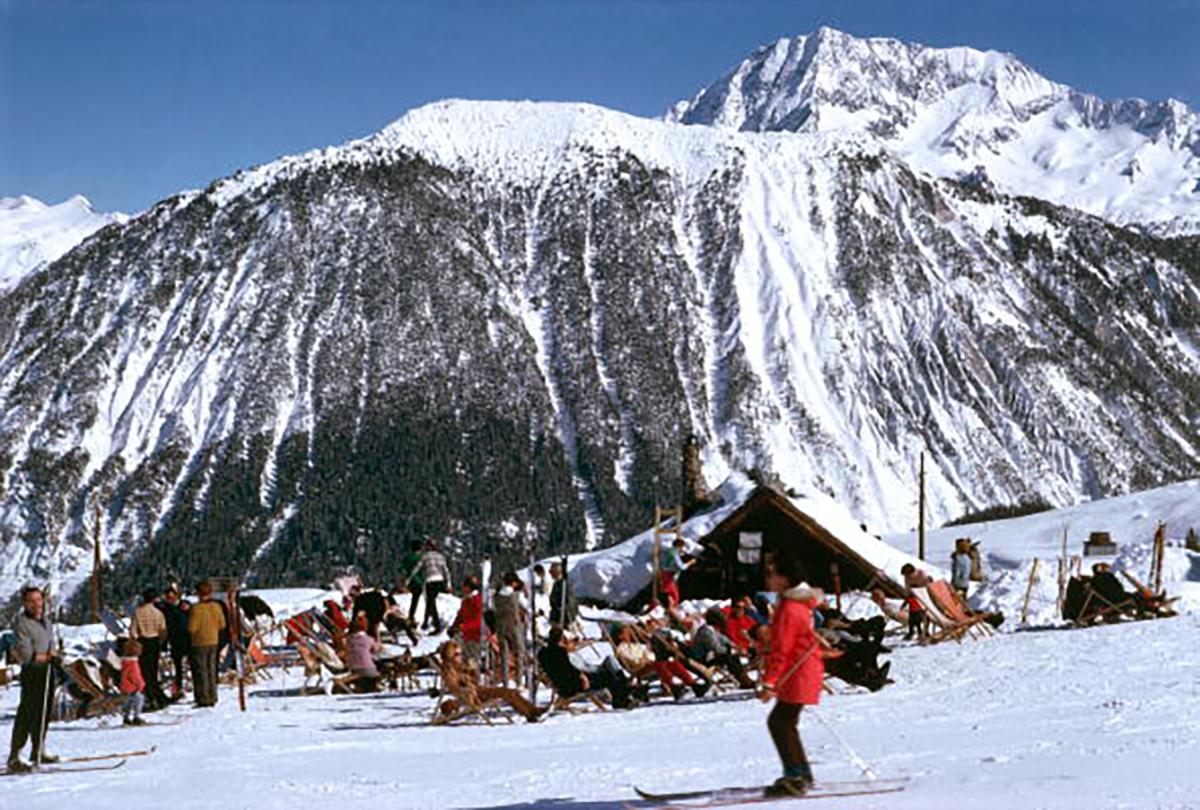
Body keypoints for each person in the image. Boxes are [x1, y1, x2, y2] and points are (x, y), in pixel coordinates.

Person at [759, 559, 836, 798]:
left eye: (772, 573)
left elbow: (782, 648)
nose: (768, 578)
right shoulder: (795, 604)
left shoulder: (790, 608)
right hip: (803, 670)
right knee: (785, 721)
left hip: (797, 673)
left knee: (780, 722)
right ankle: (801, 772)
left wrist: (769, 682)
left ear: (786, 578)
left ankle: (796, 775)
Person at [7, 586, 59, 772]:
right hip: (32, 673)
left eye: (39, 600)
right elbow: (26, 654)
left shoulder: (47, 621)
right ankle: (14, 756)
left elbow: (50, 644)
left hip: (47, 671)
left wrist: (53, 653)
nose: (37, 604)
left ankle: (38, 750)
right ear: (25, 603)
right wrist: (47, 656)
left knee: (44, 713)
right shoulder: (22, 623)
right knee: (27, 713)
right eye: (32, 601)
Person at [438, 641, 543, 722]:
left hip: (479, 691)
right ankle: (531, 713)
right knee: (507, 693)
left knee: (511, 692)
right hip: (475, 694)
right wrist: (467, 689)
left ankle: (532, 711)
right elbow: (454, 687)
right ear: (450, 656)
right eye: (457, 654)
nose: (460, 657)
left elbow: (474, 680)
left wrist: (472, 671)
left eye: (460, 654)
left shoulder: (459, 667)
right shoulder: (449, 670)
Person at [538, 626, 636, 709]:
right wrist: (581, 676)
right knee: (608, 676)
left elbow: (565, 670)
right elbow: (568, 670)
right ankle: (622, 700)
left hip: (567, 683)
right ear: (561, 639)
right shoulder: (559, 653)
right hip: (574, 685)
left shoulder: (544, 654)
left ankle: (625, 692)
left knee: (608, 671)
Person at [689, 608, 755, 689]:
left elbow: (724, 639)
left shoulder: (713, 630)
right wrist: (733, 651)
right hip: (702, 659)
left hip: (710, 656)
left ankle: (744, 679)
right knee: (729, 657)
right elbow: (716, 648)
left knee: (731, 655)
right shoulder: (706, 631)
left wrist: (736, 647)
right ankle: (744, 680)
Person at [187, 581, 227, 707]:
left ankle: (203, 697)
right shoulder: (217, 606)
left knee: (201, 670)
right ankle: (213, 695)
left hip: (199, 641)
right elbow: (222, 624)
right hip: (213, 640)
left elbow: (191, 628)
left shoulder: (196, 608)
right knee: (211, 668)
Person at [131, 588, 169, 710]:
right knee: (153, 670)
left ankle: (149, 697)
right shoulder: (158, 613)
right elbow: (163, 630)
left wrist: (134, 642)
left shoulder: (138, 612)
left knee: (144, 671)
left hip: (143, 642)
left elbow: (133, 631)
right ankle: (157, 696)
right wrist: (162, 642)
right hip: (154, 642)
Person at [492, 572, 527, 687]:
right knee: (519, 652)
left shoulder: (496, 596)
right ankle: (519, 681)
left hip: (500, 626)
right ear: (513, 583)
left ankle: (506, 682)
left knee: (504, 654)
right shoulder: (516, 595)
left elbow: (491, 608)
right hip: (514, 625)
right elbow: (526, 607)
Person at [407, 541, 450, 633]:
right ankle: (427, 623)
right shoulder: (440, 556)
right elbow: (446, 570)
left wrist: (408, 580)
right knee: (431, 602)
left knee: (431, 602)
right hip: (440, 580)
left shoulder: (425, 557)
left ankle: (436, 624)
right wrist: (448, 584)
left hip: (430, 580)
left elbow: (417, 568)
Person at [158, 586, 191, 701]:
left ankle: (189, 686)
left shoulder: (184, 606)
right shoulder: (165, 608)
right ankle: (178, 688)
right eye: (168, 597)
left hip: (187, 639)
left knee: (190, 664)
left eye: (171, 596)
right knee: (177, 666)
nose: (169, 599)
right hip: (174, 640)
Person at [448, 576, 484, 662]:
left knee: (472, 660)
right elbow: (460, 615)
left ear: (469, 587)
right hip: (466, 635)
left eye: (465, 587)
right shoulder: (466, 601)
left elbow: (479, 620)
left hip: (477, 636)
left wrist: (464, 626)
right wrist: (453, 627)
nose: (463, 589)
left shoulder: (477, 600)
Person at [344, 613, 381, 692]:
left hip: (353, 668)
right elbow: (376, 649)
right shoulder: (368, 639)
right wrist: (378, 636)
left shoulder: (349, 639)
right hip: (368, 669)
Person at [120, 638, 147, 726]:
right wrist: (141, 684)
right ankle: (136, 717)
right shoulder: (133, 663)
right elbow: (135, 676)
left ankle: (126, 718)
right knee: (139, 700)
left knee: (127, 703)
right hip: (133, 687)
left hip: (125, 686)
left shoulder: (124, 662)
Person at [900, 564, 930, 642]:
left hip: (924, 598)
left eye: (908, 575)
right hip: (913, 599)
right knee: (912, 617)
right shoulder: (907, 578)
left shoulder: (921, 575)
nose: (907, 577)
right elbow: (907, 588)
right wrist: (906, 599)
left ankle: (925, 631)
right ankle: (912, 631)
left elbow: (927, 586)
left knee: (923, 615)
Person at [658, 538, 691, 609]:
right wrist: (690, 563)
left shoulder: (666, 550)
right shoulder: (674, 553)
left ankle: (668, 609)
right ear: (680, 546)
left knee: (668, 593)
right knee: (674, 596)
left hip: (663, 573)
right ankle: (672, 610)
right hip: (669, 576)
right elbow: (681, 567)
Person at [398, 544, 424, 625]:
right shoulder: (421, 557)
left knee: (413, 599)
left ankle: (411, 616)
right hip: (420, 581)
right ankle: (412, 617)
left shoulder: (407, 558)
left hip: (410, 582)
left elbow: (400, 568)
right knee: (416, 599)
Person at [548, 562, 578, 630]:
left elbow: (569, 601)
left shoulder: (564, 584)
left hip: (564, 617)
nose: (550, 574)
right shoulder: (557, 583)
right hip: (558, 617)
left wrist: (568, 617)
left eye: (552, 572)